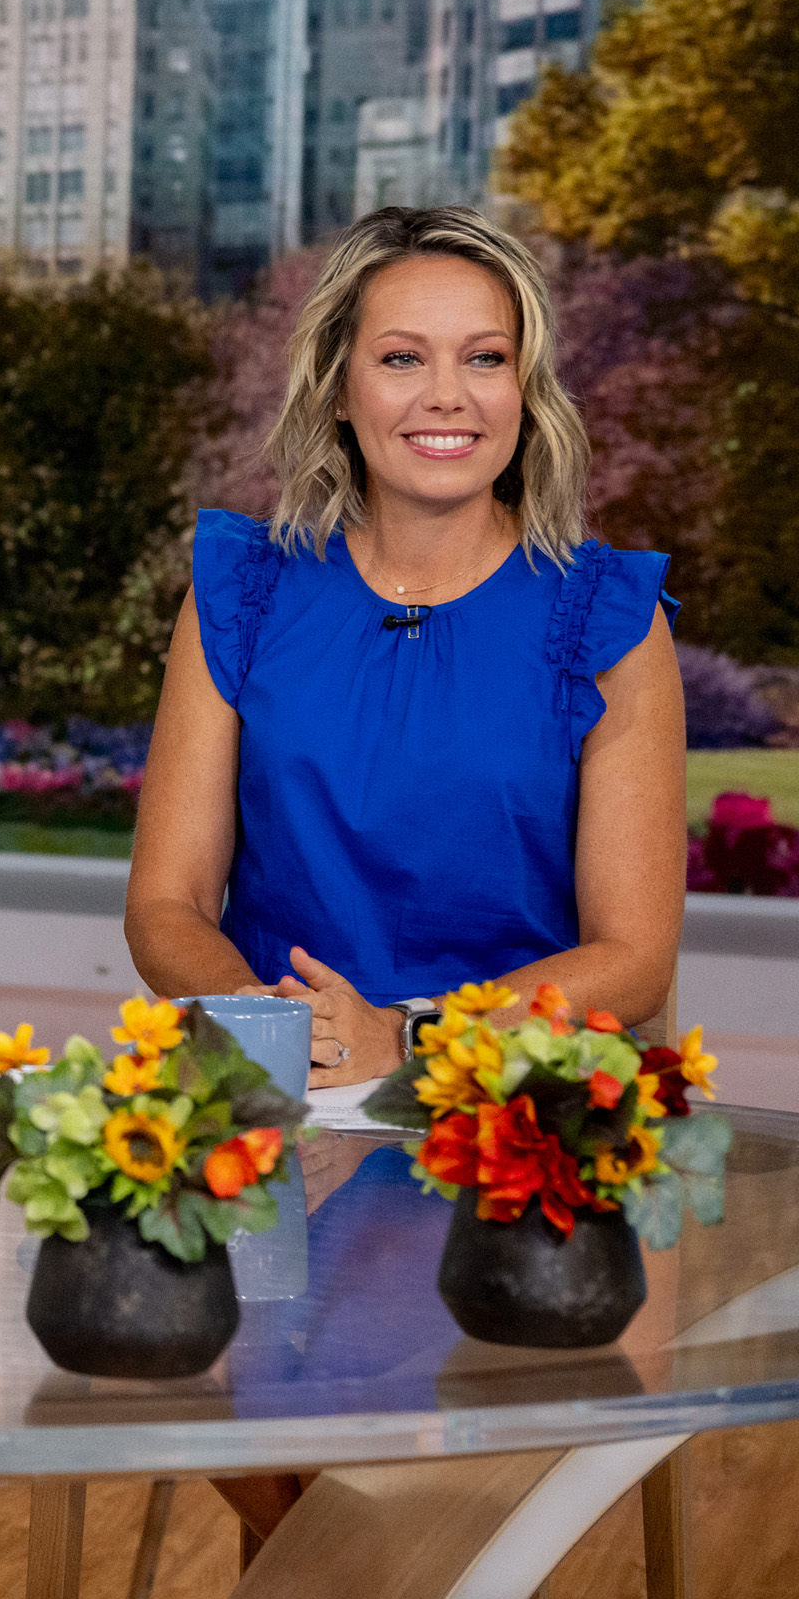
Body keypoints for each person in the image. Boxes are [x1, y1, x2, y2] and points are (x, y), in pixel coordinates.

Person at [125, 204, 685, 1085]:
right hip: (283, 1089)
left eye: (485, 358)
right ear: (340, 389)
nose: (447, 396)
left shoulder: (610, 617)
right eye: (401, 358)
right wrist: (271, 1028)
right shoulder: (239, 595)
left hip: (515, 1108)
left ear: (525, 389)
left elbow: (633, 956)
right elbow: (168, 904)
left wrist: (413, 1039)